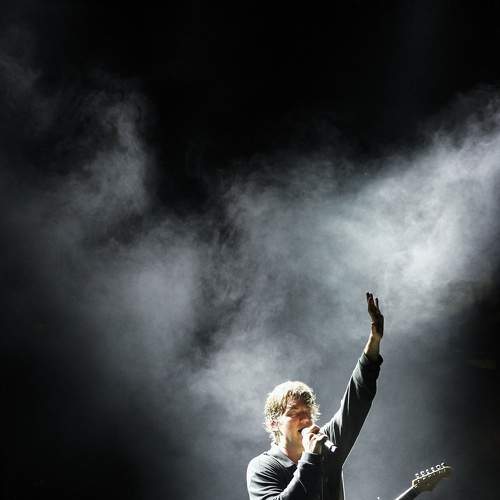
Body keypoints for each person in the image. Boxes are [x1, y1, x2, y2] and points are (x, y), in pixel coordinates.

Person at [246, 292, 384, 500]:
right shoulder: (263, 467)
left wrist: (374, 340)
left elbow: (356, 401)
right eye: (294, 413)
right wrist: (310, 458)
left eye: (308, 412)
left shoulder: (325, 444)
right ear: (274, 423)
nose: (305, 419)